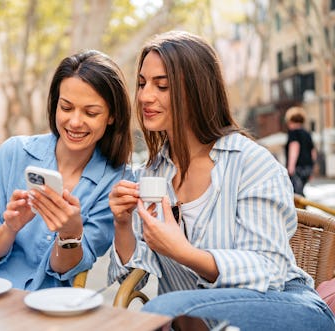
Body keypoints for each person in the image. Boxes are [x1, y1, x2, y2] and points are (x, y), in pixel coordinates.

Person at [107, 30, 335, 331]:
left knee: (162, 310)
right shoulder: (153, 173)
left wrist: (184, 253)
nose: (145, 96)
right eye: (142, 83)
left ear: (197, 90)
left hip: (285, 310)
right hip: (199, 318)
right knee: (166, 311)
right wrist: (122, 223)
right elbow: (133, 275)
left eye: (162, 86)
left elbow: (268, 270)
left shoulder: (250, 163)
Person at [0, 50, 133, 290]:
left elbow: (63, 269)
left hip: (51, 306)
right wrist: (10, 227)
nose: (75, 122)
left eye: (90, 113)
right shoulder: (14, 152)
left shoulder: (117, 181)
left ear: (112, 116)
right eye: (66, 108)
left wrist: (70, 234)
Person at [285, 106, 316, 196]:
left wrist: (291, 167)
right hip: (307, 168)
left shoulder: (293, 132)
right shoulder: (307, 134)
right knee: (300, 191)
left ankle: (301, 209)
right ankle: (304, 208)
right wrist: (312, 169)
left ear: (290, 120)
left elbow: (294, 147)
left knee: (295, 194)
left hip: (297, 168)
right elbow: (313, 152)